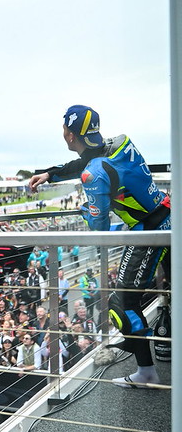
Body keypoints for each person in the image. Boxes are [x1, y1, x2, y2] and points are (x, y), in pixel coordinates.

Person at [29, 105, 171, 388]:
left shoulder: (93, 175)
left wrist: (85, 209)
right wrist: (50, 174)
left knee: (121, 304)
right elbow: (89, 159)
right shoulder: (120, 142)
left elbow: (100, 227)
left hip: (149, 231)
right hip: (169, 216)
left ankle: (146, 372)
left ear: (69, 135)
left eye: (64, 129)